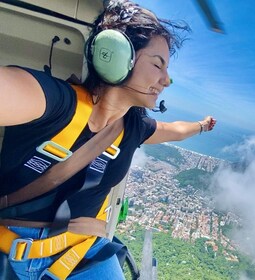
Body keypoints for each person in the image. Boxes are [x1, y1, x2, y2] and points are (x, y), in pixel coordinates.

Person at [0, 0, 216, 279]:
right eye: (157, 65)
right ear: (114, 55)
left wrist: (201, 126)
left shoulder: (133, 127)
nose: (166, 80)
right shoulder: (56, 102)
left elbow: (174, 129)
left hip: (87, 249)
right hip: (14, 247)